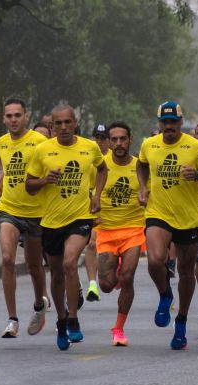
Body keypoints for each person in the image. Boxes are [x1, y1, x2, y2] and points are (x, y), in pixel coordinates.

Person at [137, 101, 198, 350]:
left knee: (185, 271)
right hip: (158, 212)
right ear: (159, 123)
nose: (169, 126)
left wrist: (197, 176)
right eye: (165, 122)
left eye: (174, 122)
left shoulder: (195, 146)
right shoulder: (149, 144)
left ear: (181, 122)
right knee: (155, 260)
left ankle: (181, 319)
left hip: (188, 217)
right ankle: (164, 294)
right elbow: (141, 164)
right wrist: (143, 186)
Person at [26, 105, 108, 350]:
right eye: (57, 124)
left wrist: (98, 195)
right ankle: (61, 319)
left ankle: (73, 318)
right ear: (51, 126)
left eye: (67, 122)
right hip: (51, 221)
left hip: (80, 217)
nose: (62, 127)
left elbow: (103, 168)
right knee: (57, 273)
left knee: (70, 262)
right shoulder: (42, 150)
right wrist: (44, 180)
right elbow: (29, 186)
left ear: (74, 123)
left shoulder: (89, 147)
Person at [0, 98, 48, 338]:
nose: (13, 120)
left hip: (36, 213)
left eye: (17, 115)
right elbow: (2, 165)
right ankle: (12, 319)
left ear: (25, 116)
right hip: (9, 209)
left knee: (34, 266)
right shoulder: (1, 143)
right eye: (9, 116)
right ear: (4, 119)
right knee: (6, 259)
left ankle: (38, 305)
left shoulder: (40, 141)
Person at [95, 122, 145, 346]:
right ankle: (115, 270)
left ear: (130, 140)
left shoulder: (140, 167)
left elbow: (150, 193)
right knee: (106, 285)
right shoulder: (99, 165)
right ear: (108, 141)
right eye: (113, 139)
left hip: (134, 229)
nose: (118, 144)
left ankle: (118, 328)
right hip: (106, 230)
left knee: (128, 277)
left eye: (122, 139)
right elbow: (88, 192)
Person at [83, 123, 111, 304]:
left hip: (117, 216)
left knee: (112, 261)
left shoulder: (115, 159)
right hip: (95, 210)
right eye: (96, 137)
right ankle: (92, 284)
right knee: (92, 245)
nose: (99, 141)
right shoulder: (89, 158)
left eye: (103, 138)